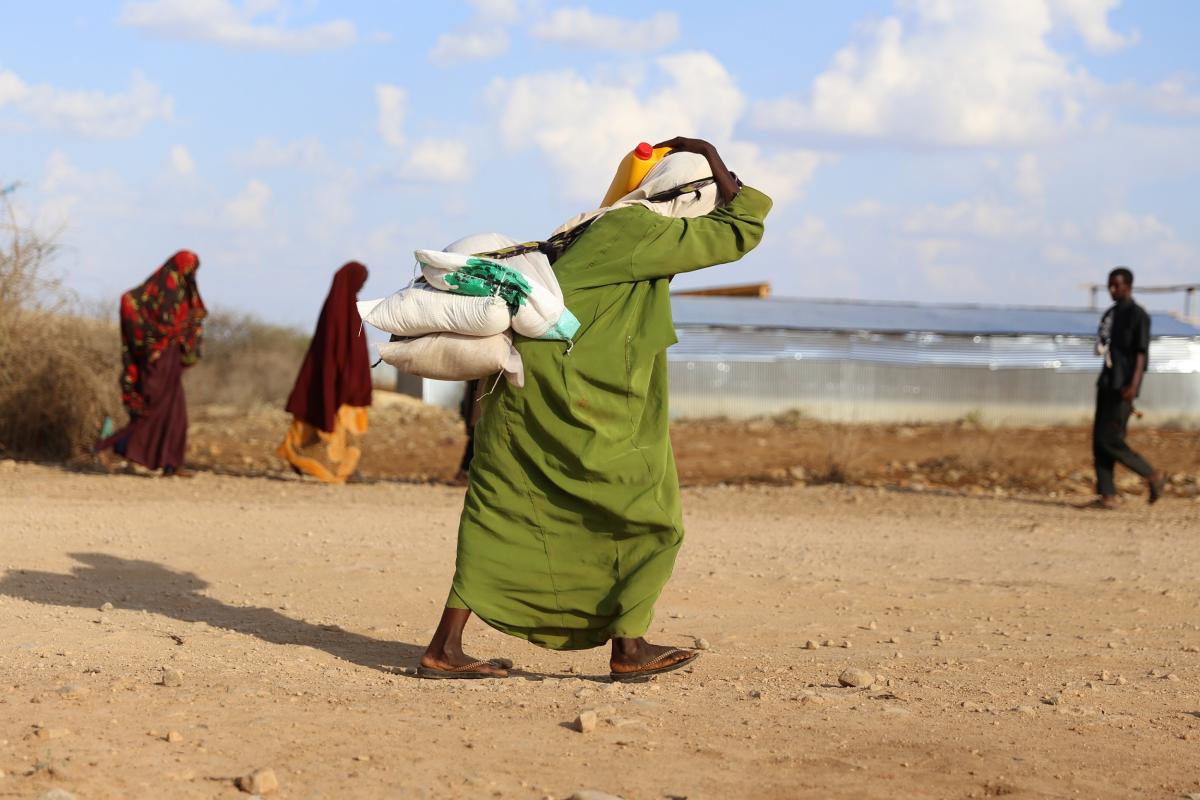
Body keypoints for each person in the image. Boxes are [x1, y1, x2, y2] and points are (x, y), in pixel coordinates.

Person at [419, 137, 772, 680]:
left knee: (504, 504)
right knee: (647, 511)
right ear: (688, 197)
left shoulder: (603, 225)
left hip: (531, 384)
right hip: (582, 391)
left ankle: (446, 647)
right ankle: (628, 647)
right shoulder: (639, 229)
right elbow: (738, 230)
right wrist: (705, 149)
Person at [96, 250, 205, 477]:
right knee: (152, 411)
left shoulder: (181, 289)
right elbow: (136, 307)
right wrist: (157, 340)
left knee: (176, 415)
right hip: (156, 360)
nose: (191, 274)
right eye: (189, 268)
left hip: (170, 357)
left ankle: (171, 464)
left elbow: (189, 318)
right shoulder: (160, 290)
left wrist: (183, 336)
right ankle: (111, 448)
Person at [277, 262, 373, 484]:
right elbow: (339, 352)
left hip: (342, 381)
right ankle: (337, 471)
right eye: (361, 281)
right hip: (344, 382)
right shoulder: (342, 310)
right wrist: (344, 381)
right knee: (343, 428)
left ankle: (343, 469)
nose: (362, 286)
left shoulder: (342, 307)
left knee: (345, 429)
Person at [1091, 266, 1166, 509]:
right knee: (1098, 439)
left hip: (1124, 386)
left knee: (1111, 439)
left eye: (1117, 285)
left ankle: (1152, 475)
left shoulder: (1138, 315)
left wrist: (1133, 386)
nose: (1112, 290)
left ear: (1128, 286)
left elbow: (1141, 354)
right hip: (1106, 383)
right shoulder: (1111, 314)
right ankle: (1107, 495)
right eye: (1110, 285)